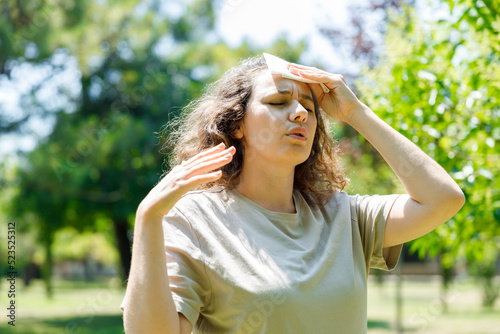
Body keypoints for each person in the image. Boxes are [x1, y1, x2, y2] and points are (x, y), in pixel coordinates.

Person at [121, 55, 465, 333]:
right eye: (277, 101)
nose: (300, 112)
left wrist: (356, 114)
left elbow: (443, 199)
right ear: (237, 124)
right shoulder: (194, 219)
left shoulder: (343, 215)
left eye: (310, 107)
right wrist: (148, 218)